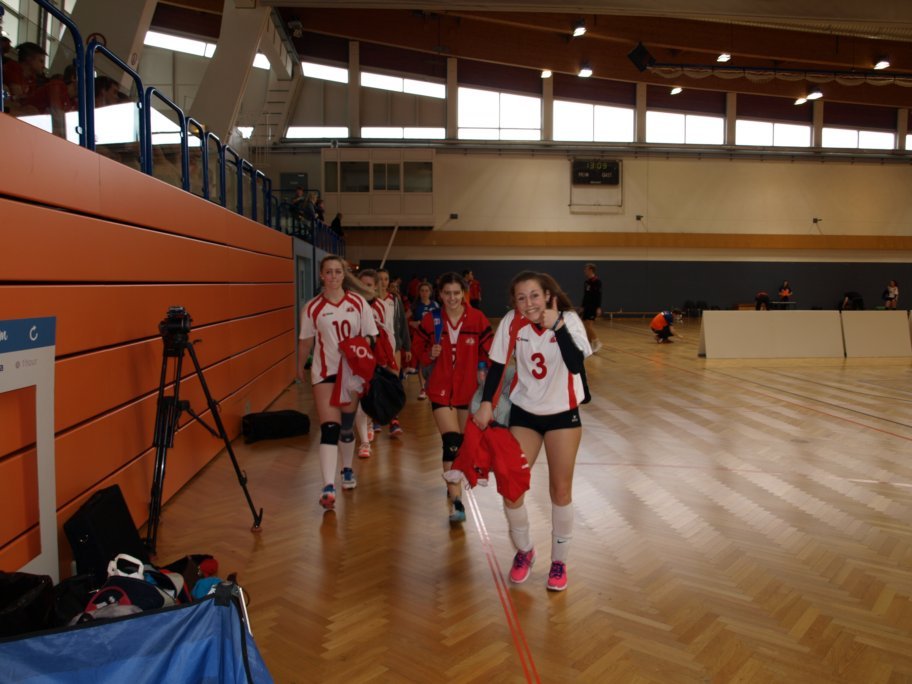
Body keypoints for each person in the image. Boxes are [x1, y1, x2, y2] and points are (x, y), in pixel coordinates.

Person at [473, 271, 592, 591]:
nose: (529, 303)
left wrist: (558, 326)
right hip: (525, 413)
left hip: (563, 414)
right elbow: (497, 366)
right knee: (511, 486)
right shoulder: (512, 322)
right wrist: (486, 404)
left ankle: (559, 562)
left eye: (535, 295)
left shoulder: (569, 320)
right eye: (521, 298)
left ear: (548, 295)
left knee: (560, 491)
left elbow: (576, 364)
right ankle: (525, 550)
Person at [297, 255, 378, 510]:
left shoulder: (358, 303)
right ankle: (328, 486)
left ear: (344, 275)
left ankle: (347, 469)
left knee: (346, 427)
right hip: (324, 373)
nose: (333, 276)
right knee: (329, 428)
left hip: (352, 373)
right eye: (328, 272)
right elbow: (306, 342)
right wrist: (298, 367)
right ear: (321, 275)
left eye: (337, 272)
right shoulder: (312, 307)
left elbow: (372, 336)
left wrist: (358, 345)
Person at [413, 272, 493, 523]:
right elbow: (418, 351)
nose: (452, 298)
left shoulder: (478, 319)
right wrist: (430, 353)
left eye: (457, 293)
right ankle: (456, 501)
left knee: (464, 442)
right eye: (447, 293)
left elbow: (490, 351)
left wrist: (483, 368)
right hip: (441, 390)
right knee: (451, 442)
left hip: (469, 392)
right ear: (440, 294)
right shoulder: (431, 320)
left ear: (464, 294)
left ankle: (455, 483)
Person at [376, 268, 410, 436]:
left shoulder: (395, 300)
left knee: (393, 383)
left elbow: (402, 323)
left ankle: (394, 420)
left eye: (386, 278)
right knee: (376, 382)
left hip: (394, 346)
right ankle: (375, 417)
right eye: (380, 278)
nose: (383, 282)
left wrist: (407, 347)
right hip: (376, 348)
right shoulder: (368, 300)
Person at [409, 281, 439, 401]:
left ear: (430, 292)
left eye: (427, 290)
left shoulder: (435, 305)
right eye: (422, 291)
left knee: (434, 362)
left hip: (433, 338)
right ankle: (422, 388)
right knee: (422, 361)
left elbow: (441, 319)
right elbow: (405, 319)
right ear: (419, 292)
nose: (424, 293)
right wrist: (412, 323)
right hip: (420, 338)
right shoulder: (415, 305)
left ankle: (433, 385)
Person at [580, 263, 603, 353]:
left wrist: (598, 307)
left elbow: (598, 295)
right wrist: (582, 306)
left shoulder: (597, 281)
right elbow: (585, 295)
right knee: (586, 326)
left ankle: (597, 342)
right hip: (586, 307)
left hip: (593, 306)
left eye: (586, 269)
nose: (584, 271)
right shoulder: (586, 282)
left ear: (591, 270)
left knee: (589, 325)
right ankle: (589, 345)